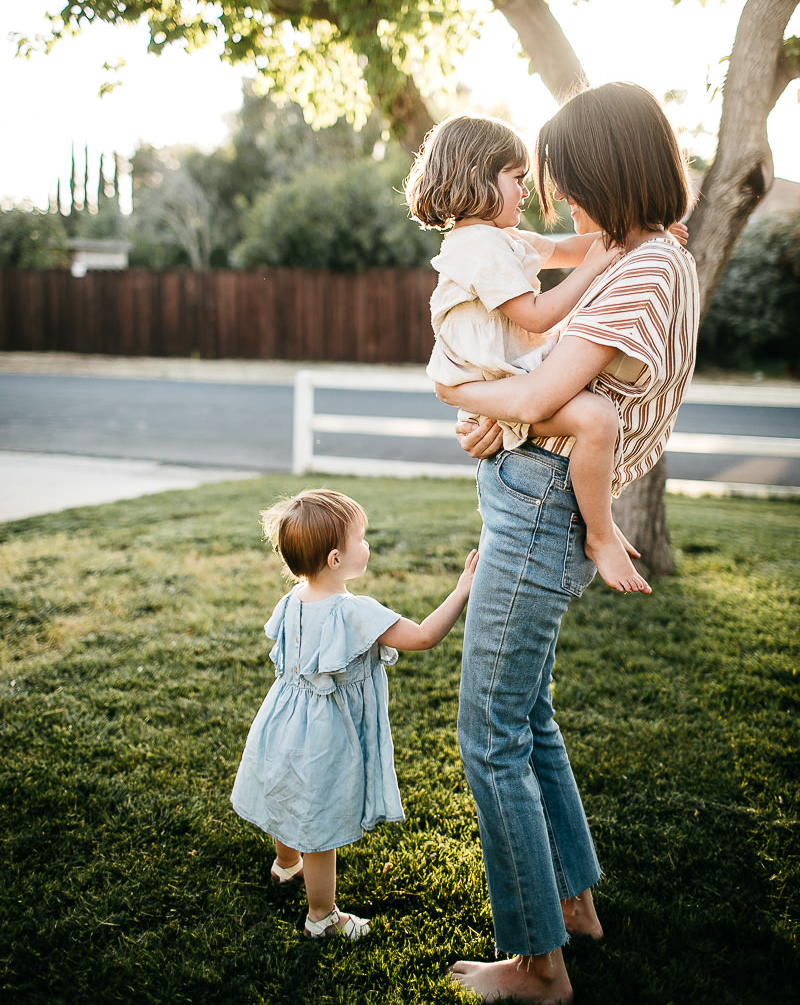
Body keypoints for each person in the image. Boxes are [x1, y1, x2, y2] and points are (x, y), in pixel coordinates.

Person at [434, 83, 700, 1003]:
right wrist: (508, 412)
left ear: (605, 170)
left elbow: (545, 392)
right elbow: (541, 389)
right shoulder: (637, 253)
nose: (554, 201)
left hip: (545, 505)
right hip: (541, 488)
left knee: (489, 734)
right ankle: (575, 906)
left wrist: (469, 400)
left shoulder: (646, 269)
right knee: (528, 715)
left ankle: (539, 967)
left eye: (565, 180)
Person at [407, 112, 675, 594]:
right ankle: (599, 533)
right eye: (516, 179)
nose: (527, 192)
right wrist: (593, 268)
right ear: (478, 177)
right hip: (490, 380)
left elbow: (567, 248)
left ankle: (599, 525)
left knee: (595, 419)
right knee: (595, 419)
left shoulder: (502, 240)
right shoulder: (477, 249)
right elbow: (534, 315)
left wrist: (642, 236)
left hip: (504, 379)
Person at [230, 488, 478, 941]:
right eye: (360, 538)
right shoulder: (356, 611)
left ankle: (286, 865)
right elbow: (423, 636)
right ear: (334, 560)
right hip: (327, 735)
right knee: (320, 825)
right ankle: (322, 918)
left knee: (286, 793)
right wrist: (462, 589)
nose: (368, 545)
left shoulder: (290, 603)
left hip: (282, 723)